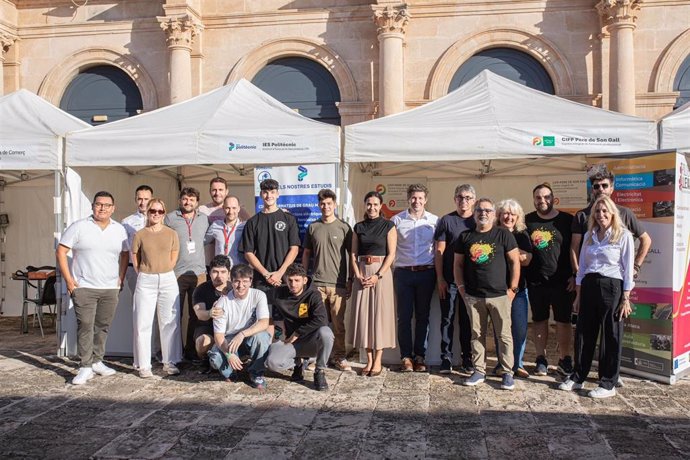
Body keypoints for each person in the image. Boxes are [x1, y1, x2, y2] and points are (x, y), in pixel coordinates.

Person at [559, 196, 634, 398]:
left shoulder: (623, 235)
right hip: (589, 286)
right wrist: (578, 295)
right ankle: (578, 377)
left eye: (604, 211)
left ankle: (608, 383)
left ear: (612, 213)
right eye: (597, 212)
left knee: (611, 335)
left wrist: (626, 297)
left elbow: (627, 270)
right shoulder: (590, 235)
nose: (601, 215)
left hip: (612, 286)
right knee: (584, 333)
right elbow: (582, 268)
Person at [56, 191, 129, 385]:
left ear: (113, 208)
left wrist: (120, 277)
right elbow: (61, 251)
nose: (102, 208)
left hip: (110, 288)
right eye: (99, 204)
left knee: (102, 326)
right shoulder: (79, 227)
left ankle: (97, 361)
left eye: (107, 205)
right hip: (85, 287)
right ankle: (85, 366)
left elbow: (124, 254)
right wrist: (70, 282)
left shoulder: (119, 229)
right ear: (92, 206)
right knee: (86, 326)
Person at [454, 198, 520, 390]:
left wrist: (513, 289)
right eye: (479, 210)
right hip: (474, 296)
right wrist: (461, 288)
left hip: (500, 295)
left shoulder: (503, 234)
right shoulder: (465, 237)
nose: (483, 213)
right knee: (477, 335)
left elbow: (515, 261)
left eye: (488, 210)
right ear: (474, 214)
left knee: (504, 335)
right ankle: (479, 370)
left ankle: (507, 372)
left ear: (493, 214)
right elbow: (457, 264)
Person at [525, 182, 575, 376]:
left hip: (563, 281)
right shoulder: (527, 221)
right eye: (538, 198)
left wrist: (574, 274)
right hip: (536, 281)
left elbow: (575, 249)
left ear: (554, 199)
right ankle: (541, 359)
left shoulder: (567, 220)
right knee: (539, 320)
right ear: (534, 200)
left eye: (546, 197)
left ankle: (564, 358)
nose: (542, 201)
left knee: (563, 321)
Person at [570, 170, 651, 288]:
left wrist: (635, 267)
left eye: (605, 185)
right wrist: (577, 275)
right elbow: (574, 248)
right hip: (588, 280)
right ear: (592, 189)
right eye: (596, 186)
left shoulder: (625, 213)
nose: (601, 189)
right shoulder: (582, 215)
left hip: (616, 281)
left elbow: (646, 240)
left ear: (612, 188)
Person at [240, 178, 300, 335]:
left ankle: (286, 352)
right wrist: (266, 274)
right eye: (265, 192)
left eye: (272, 192)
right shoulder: (253, 222)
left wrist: (280, 273)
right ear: (261, 194)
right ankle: (268, 354)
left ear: (278, 194)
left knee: (287, 318)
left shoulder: (288, 219)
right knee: (266, 319)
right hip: (262, 280)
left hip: (285, 279)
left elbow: (294, 249)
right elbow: (248, 252)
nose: (269, 196)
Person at [302, 188, 353, 372]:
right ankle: (317, 356)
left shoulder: (344, 228)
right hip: (317, 283)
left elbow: (352, 255)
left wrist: (351, 279)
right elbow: (306, 253)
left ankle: (339, 357)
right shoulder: (313, 227)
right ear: (319, 205)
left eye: (329, 203)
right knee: (318, 322)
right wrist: (305, 277)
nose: (326, 207)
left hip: (338, 284)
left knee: (338, 324)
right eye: (322, 204)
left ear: (335, 204)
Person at [348, 191, 397, 377]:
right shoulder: (358, 227)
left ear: (381, 205)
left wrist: (378, 275)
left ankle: (378, 361)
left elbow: (391, 254)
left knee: (379, 317)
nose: (372, 207)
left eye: (376, 204)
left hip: (381, 274)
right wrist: (358, 274)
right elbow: (353, 254)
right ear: (365, 205)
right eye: (369, 204)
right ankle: (368, 361)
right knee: (364, 318)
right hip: (362, 272)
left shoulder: (388, 225)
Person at [132, 198, 182, 377]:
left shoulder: (171, 234)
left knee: (170, 322)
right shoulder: (140, 234)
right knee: (142, 322)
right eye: (153, 210)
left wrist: (165, 268)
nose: (156, 214)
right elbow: (135, 257)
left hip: (167, 278)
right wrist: (144, 272)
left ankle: (170, 361)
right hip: (146, 279)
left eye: (160, 211)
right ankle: (143, 365)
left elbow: (174, 256)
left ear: (164, 213)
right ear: (148, 212)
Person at [265, 263, 334, 391]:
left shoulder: (313, 294)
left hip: (311, 341)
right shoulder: (279, 293)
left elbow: (321, 320)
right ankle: (298, 363)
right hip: (291, 343)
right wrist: (229, 290)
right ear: (285, 279)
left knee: (326, 333)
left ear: (304, 280)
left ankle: (319, 371)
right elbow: (259, 296)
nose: (293, 284)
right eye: (290, 280)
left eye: (297, 280)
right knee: (271, 363)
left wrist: (297, 333)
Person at [392, 184, 438, 372]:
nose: (416, 201)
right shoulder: (396, 220)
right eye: (413, 198)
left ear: (425, 200)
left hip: (427, 273)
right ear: (408, 198)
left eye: (420, 198)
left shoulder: (435, 220)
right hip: (403, 273)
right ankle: (405, 357)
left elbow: (438, 248)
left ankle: (420, 356)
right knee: (403, 317)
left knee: (423, 316)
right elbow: (390, 248)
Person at [434, 184, 476, 374]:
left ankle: (467, 358)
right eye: (460, 197)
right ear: (454, 199)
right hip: (449, 281)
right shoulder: (446, 220)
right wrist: (440, 278)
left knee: (468, 321)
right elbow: (439, 251)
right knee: (447, 319)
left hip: (472, 282)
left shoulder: (479, 220)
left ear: (473, 200)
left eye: (468, 197)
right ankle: (446, 358)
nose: (463, 201)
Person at [208, 263, 271, 388]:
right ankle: (231, 373)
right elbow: (219, 336)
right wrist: (229, 354)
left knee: (262, 337)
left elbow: (264, 323)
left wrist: (242, 334)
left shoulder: (259, 295)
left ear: (251, 281)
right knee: (215, 357)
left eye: (245, 281)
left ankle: (256, 373)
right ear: (231, 281)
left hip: (249, 336)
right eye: (237, 281)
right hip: (229, 339)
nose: (241, 286)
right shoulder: (222, 302)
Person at [165, 187, 209, 361]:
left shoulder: (204, 219)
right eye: (185, 199)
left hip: (199, 273)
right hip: (176, 273)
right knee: (174, 314)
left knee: (196, 315)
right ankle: (173, 352)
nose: (188, 202)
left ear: (197, 202)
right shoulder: (170, 218)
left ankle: (191, 351)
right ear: (180, 200)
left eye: (191, 199)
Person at [494, 199, 532, 378]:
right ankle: (501, 363)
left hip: (519, 290)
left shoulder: (522, 234)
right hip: (497, 290)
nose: (508, 217)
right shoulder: (492, 233)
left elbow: (528, 259)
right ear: (499, 215)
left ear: (518, 217)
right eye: (505, 213)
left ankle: (517, 363)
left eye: (512, 214)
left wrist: (506, 253)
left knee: (519, 329)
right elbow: (520, 258)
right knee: (500, 329)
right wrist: (517, 255)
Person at [191, 255, 232, 372]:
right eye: (215, 272)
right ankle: (205, 360)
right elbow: (199, 313)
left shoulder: (235, 288)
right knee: (202, 342)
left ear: (229, 273)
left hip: (230, 327)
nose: (219, 276)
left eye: (223, 272)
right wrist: (210, 313)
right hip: (207, 327)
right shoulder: (201, 289)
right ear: (209, 272)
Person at [204, 195, 246, 267]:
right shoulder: (216, 225)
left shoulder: (245, 227)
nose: (231, 211)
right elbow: (203, 241)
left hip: (238, 271)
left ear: (239, 209)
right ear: (223, 208)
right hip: (220, 270)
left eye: (234, 208)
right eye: (227, 208)